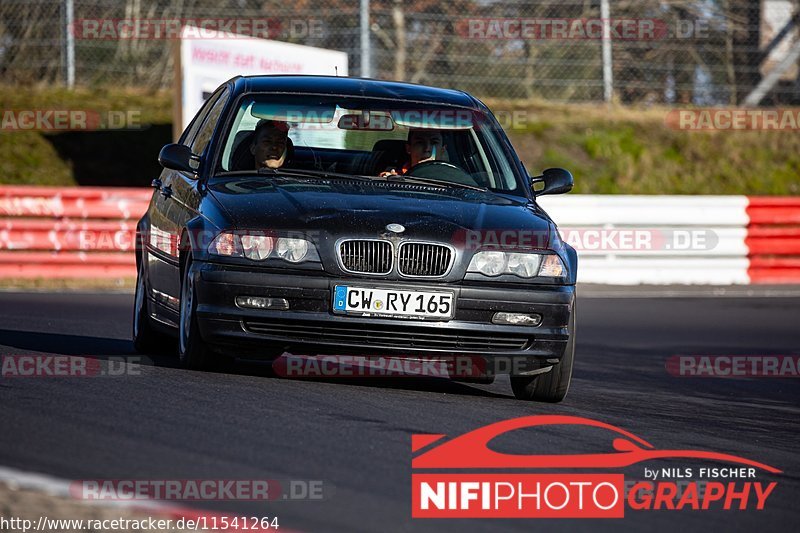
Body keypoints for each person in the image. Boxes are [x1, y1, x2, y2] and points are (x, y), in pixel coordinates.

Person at [380, 128, 448, 177]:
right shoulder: (395, 175)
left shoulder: (452, 179)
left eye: (434, 142)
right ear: (408, 148)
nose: (427, 149)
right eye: (420, 142)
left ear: (443, 150)